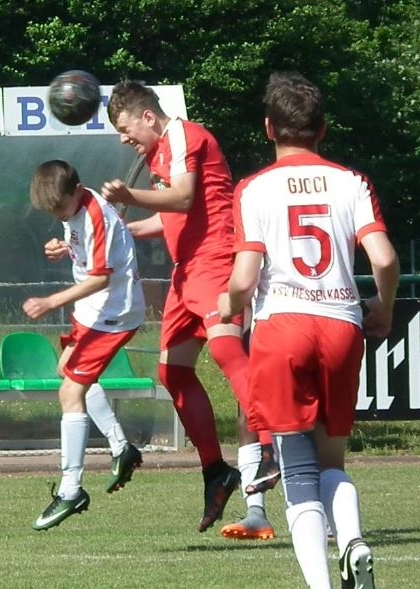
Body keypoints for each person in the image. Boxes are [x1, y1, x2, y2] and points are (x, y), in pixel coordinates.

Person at [218, 71, 400, 588]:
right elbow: (385, 259)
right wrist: (384, 308)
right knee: (332, 461)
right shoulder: (352, 182)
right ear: (322, 129)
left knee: (297, 471)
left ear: (268, 128)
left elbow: (245, 279)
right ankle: (353, 539)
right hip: (341, 323)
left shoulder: (253, 188)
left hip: (282, 327)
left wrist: (227, 304)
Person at [101, 80, 278, 537]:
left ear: (148, 116)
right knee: (172, 372)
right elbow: (172, 215)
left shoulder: (183, 134)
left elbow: (181, 196)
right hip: (187, 269)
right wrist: (116, 231)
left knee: (226, 351)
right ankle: (217, 471)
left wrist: (128, 197)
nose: (123, 139)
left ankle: (270, 442)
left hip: (215, 257)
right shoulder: (160, 150)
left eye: (125, 128)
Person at [23, 159, 146, 530]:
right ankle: (121, 447)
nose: (58, 215)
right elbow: (88, 247)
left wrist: (51, 302)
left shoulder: (95, 215)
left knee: (70, 392)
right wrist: (65, 247)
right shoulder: (76, 207)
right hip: (94, 310)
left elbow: (100, 278)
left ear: (77, 191)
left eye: (61, 209)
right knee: (68, 372)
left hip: (111, 312)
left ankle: (71, 489)